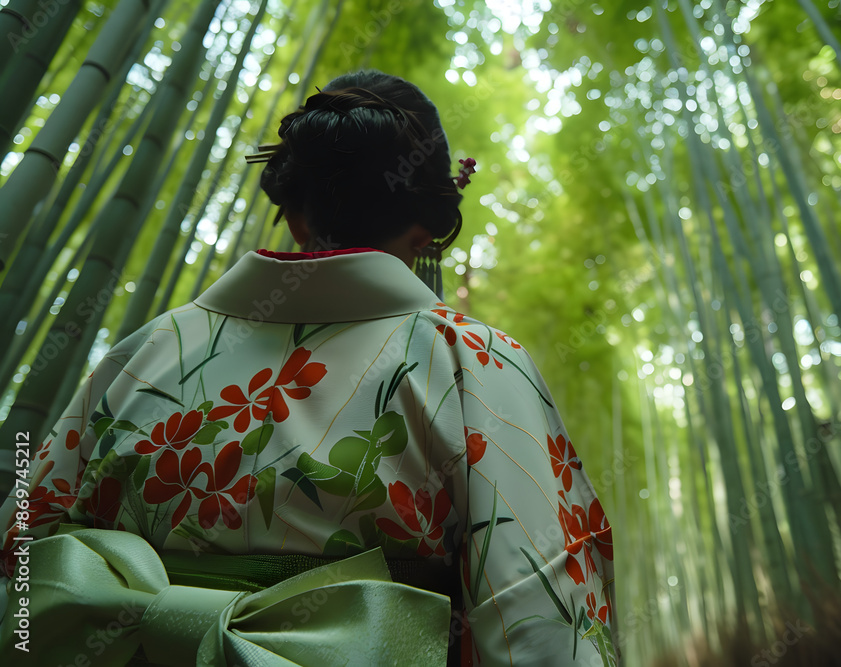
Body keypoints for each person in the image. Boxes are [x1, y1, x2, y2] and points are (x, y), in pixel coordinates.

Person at [0, 69, 618, 666]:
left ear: (295, 212)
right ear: (428, 229)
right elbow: (537, 612)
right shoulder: (474, 364)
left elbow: (20, 557)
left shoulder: (141, 352)